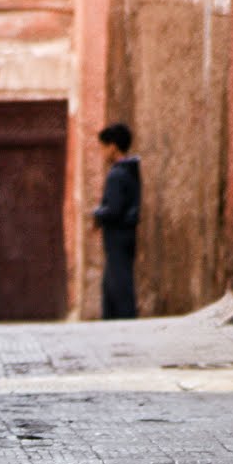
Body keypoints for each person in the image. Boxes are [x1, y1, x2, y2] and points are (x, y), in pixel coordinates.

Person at [93, 123, 141, 320]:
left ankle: (124, 322)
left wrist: (97, 213)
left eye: (103, 147)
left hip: (117, 236)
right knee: (113, 283)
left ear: (112, 147)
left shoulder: (116, 174)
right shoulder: (131, 171)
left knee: (119, 283)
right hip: (127, 234)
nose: (102, 152)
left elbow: (114, 209)